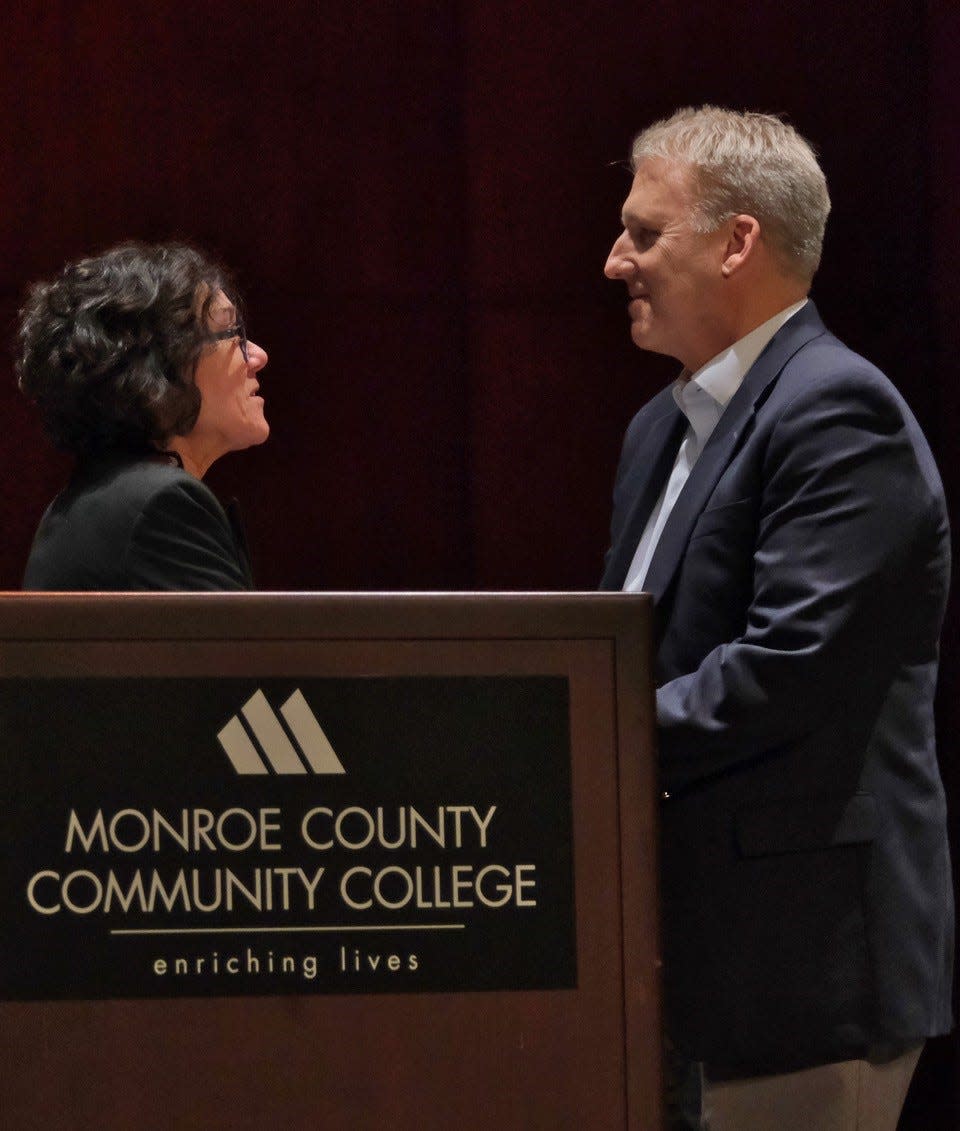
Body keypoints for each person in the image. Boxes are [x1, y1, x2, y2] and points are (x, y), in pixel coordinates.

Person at [600, 106, 953, 1131]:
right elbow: (638, 651)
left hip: (804, 970)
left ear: (737, 241)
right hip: (689, 965)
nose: (614, 260)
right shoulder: (657, 429)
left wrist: (578, 738)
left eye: (644, 232)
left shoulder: (839, 411)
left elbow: (784, 669)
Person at [17, 241, 269, 590]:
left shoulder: (97, 500)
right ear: (163, 363)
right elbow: (245, 647)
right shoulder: (160, 506)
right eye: (233, 335)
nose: (258, 356)